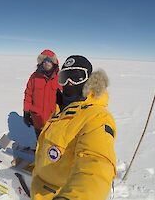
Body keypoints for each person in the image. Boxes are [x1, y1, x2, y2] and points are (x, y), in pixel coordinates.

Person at [31, 55, 117, 200]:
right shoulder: (60, 109)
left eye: (76, 77)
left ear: (89, 80)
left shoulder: (97, 117)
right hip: (39, 191)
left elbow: (96, 163)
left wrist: (73, 197)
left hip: (59, 194)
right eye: (64, 77)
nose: (69, 83)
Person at [23, 49, 61, 138]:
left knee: (51, 139)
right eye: (44, 61)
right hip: (37, 117)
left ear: (54, 63)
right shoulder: (34, 77)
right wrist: (26, 111)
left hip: (53, 118)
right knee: (39, 138)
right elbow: (28, 94)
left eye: (49, 61)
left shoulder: (59, 77)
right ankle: (39, 149)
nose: (46, 63)